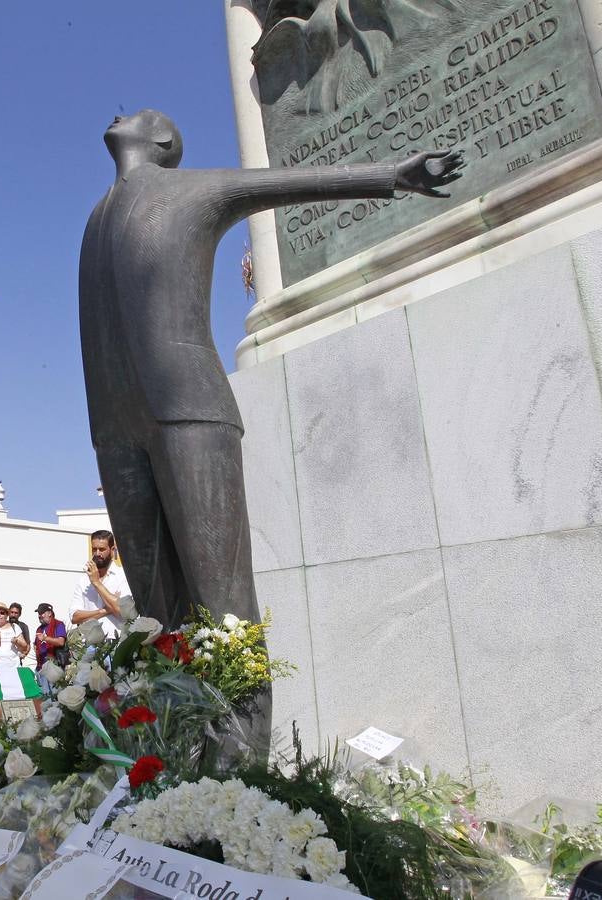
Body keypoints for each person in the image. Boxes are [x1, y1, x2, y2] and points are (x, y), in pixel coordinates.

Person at [79, 108, 461, 629]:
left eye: (144, 114)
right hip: (114, 426)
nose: (123, 111)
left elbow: (283, 183)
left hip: (190, 408)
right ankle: (164, 712)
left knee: (224, 608)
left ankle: (243, 711)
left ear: (165, 139)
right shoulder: (96, 218)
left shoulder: (193, 189)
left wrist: (392, 175)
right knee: (155, 618)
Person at [69, 530, 132, 640]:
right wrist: (106, 610)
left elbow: (123, 612)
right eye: (94, 549)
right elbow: (75, 617)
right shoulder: (84, 580)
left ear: (112, 550)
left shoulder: (123, 576)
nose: (97, 553)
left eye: (102, 549)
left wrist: (97, 583)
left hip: (115, 643)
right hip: (89, 645)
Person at [33, 603, 68, 691]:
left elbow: (61, 642)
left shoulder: (58, 624)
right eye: (39, 613)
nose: (39, 616)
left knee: (54, 697)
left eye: (42, 613)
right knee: (45, 698)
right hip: (41, 668)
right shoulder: (39, 629)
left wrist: (45, 638)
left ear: (50, 613)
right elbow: (36, 645)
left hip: (54, 668)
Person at [0, 604, 28, 669]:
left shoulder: (14, 627)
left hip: (12, 667)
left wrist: (17, 642)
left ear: (7, 615)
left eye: (2, 613)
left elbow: (25, 647)